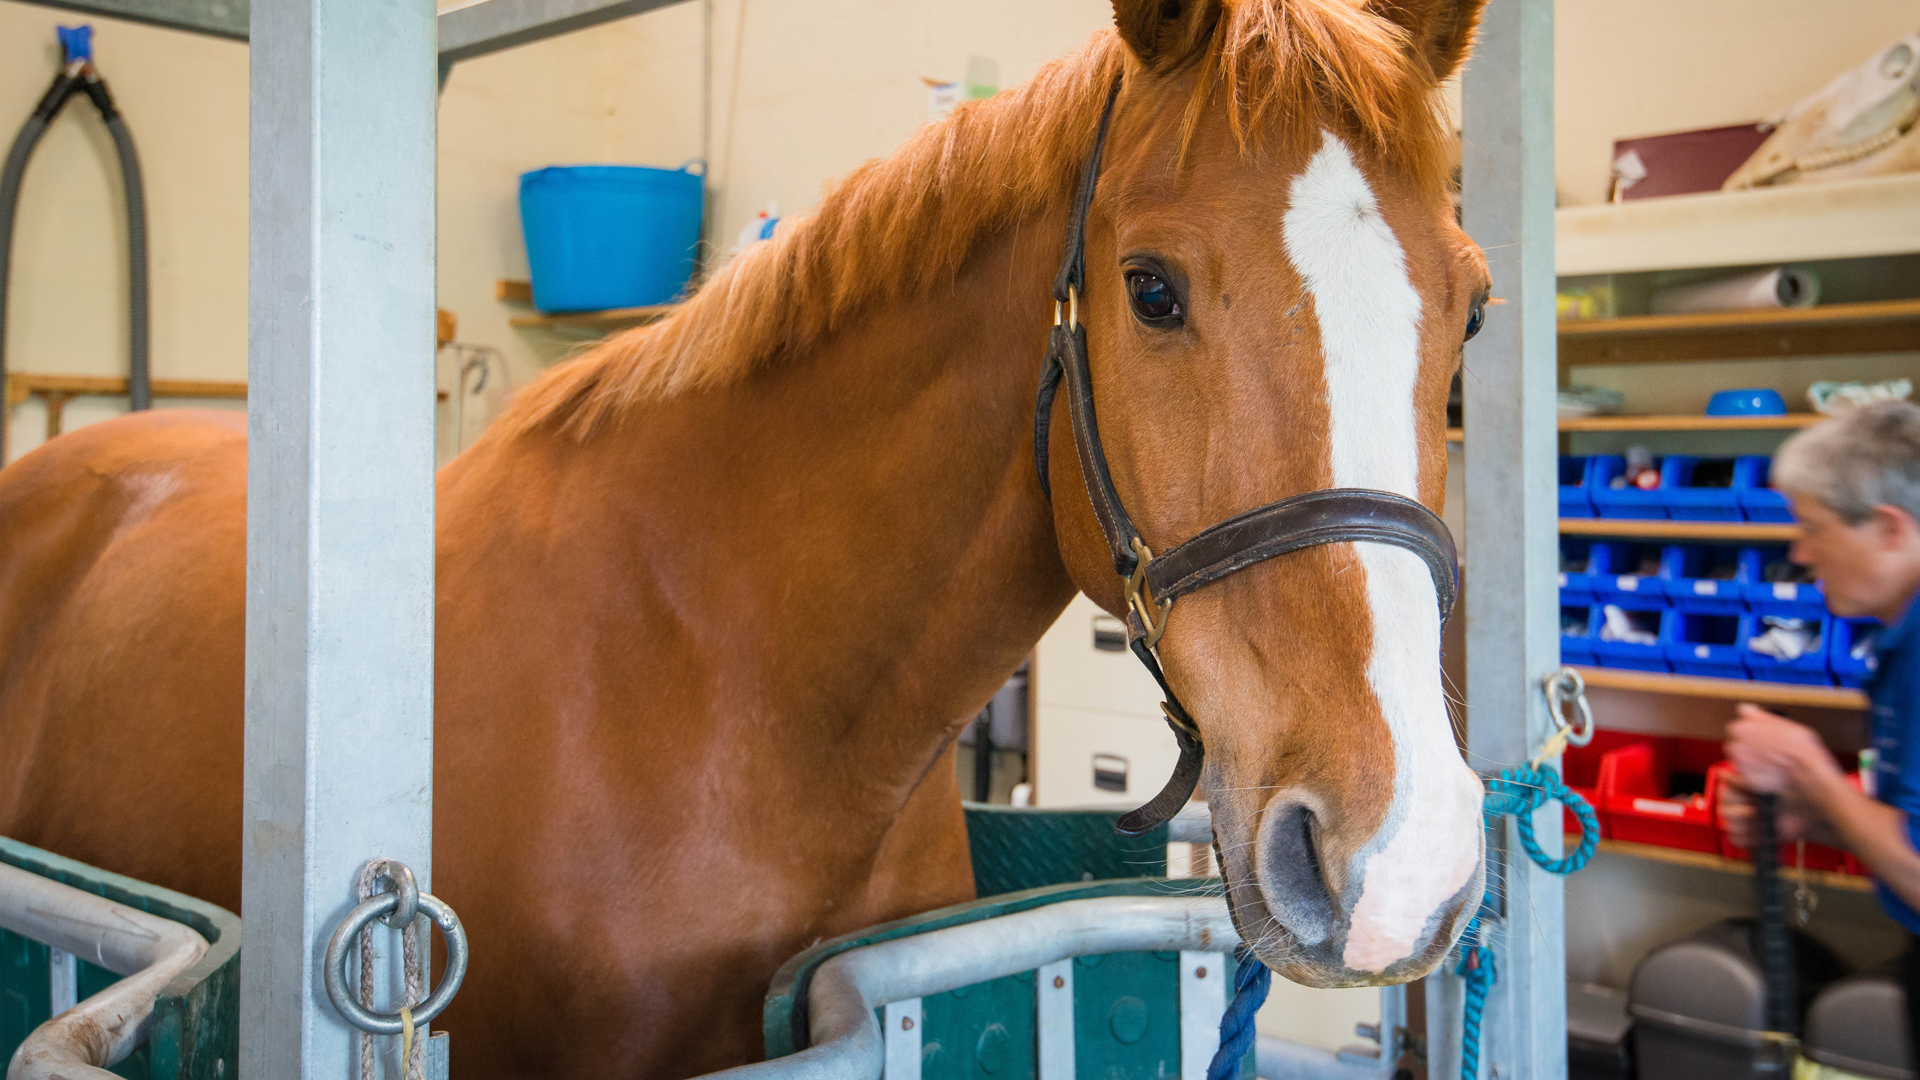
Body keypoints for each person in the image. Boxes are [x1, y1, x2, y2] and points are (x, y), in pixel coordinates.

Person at [1719, 400, 1920, 1048]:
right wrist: (1815, 812)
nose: (1800, 553)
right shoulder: (1899, 638)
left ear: (1891, 529)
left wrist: (1808, 768)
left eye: (1815, 528)